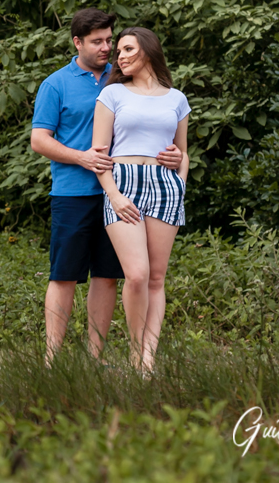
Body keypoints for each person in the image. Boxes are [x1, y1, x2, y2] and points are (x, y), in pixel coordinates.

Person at [31, 10, 182, 366]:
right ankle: (52, 360)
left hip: (125, 194)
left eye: (109, 40)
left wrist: (173, 157)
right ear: (77, 43)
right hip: (74, 192)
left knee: (107, 276)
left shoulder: (120, 80)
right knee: (64, 274)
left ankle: (94, 359)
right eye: (97, 41)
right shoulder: (57, 84)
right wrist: (82, 158)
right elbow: (39, 140)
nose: (107, 48)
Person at [93, 26, 190, 375]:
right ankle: (135, 350)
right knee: (136, 275)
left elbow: (183, 153)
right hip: (124, 182)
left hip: (165, 186)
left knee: (156, 278)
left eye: (127, 48)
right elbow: (99, 154)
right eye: (118, 51)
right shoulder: (113, 94)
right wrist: (114, 196)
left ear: (148, 50)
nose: (119, 56)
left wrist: (179, 182)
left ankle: (146, 360)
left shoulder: (176, 98)